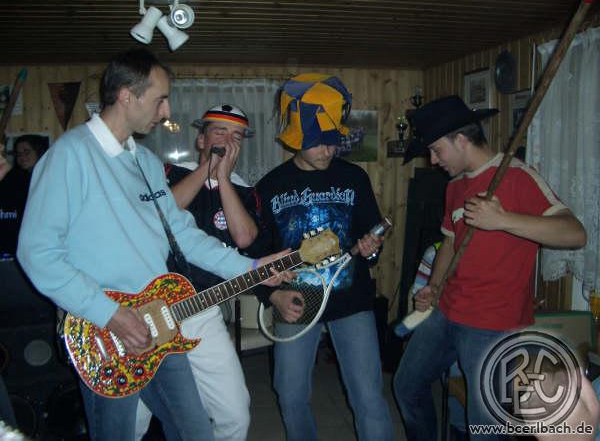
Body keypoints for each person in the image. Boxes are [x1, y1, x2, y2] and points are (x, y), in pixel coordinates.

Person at [16, 48, 289, 441]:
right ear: (127, 95)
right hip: (106, 332)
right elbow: (37, 253)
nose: (166, 111)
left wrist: (253, 268)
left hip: (161, 320)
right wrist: (110, 313)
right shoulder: (69, 155)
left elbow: (184, 236)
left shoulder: (144, 162)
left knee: (195, 432)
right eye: (160, 99)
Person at [393, 95, 587, 441]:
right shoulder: (455, 185)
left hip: (494, 325)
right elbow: (450, 242)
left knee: (485, 427)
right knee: (406, 386)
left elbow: (575, 234)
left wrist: (503, 219)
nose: (433, 160)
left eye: (436, 150)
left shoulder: (517, 177)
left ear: (461, 140)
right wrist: (434, 286)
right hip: (447, 311)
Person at [253, 73, 395, 441]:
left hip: (352, 300)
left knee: (368, 397)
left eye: (332, 142)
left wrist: (372, 249)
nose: (327, 151)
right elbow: (255, 257)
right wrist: (272, 295)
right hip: (296, 301)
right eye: (317, 143)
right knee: (290, 395)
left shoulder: (355, 178)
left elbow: (371, 236)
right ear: (296, 139)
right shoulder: (269, 186)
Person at [135, 104, 258, 441]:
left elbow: (244, 238)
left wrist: (223, 180)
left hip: (202, 310)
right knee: (135, 420)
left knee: (235, 414)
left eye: (237, 137)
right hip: (148, 309)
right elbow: (163, 215)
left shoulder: (244, 190)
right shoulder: (169, 172)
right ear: (201, 139)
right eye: (220, 132)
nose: (228, 142)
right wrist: (206, 170)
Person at [0, 134, 48, 256]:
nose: (22, 157)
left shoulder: (49, 177)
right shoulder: (11, 178)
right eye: (18, 154)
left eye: (26, 152)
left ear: (39, 152)